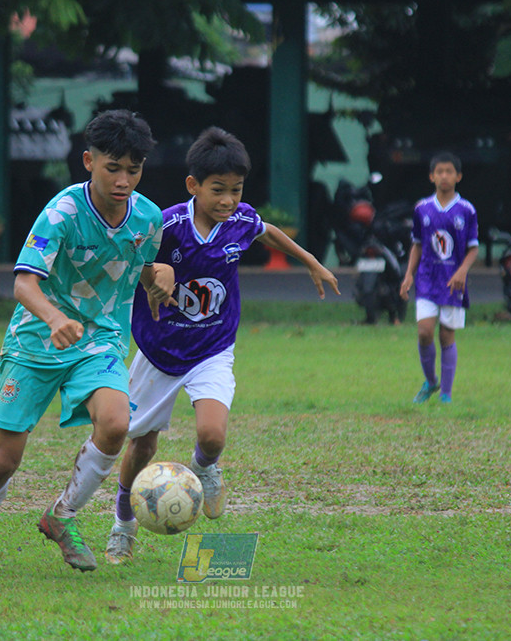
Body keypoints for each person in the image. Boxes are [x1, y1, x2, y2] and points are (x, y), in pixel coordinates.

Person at [0, 109, 174, 574]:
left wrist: (159, 275)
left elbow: (134, 267)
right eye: (113, 168)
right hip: (35, 341)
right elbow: (25, 283)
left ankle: (61, 516)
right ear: (88, 161)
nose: (124, 180)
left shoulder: (148, 218)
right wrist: (52, 317)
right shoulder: (63, 212)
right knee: (4, 461)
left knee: (114, 423)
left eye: (134, 169)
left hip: (100, 338)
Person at [104, 126, 340, 564]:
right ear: (193, 186)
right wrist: (154, 275)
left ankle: (205, 469)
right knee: (141, 445)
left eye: (236, 190)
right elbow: (132, 259)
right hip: (159, 351)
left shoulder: (240, 220)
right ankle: (123, 523)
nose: (229, 200)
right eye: (219, 191)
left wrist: (311, 261)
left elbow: (266, 231)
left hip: (213, 348)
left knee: (212, 435)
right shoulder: (166, 224)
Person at [399, 152, 478, 404]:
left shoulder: (466, 210)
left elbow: (473, 247)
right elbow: (418, 244)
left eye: (449, 171)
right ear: (432, 176)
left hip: (453, 280)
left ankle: (446, 395)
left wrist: (462, 271)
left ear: (458, 176)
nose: (444, 176)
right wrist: (408, 275)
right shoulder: (422, 208)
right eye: (439, 171)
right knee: (424, 332)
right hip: (427, 278)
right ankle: (430, 381)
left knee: (446, 335)